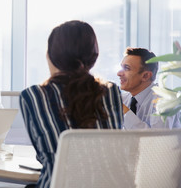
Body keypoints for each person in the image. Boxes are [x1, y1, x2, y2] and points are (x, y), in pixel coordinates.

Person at [19, 20, 124, 188]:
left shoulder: (34, 95)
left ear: (51, 55)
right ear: (93, 56)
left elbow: (43, 156)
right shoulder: (111, 92)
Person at [117, 47, 181, 129]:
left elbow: (156, 139)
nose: (119, 73)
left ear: (146, 76)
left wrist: (123, 110)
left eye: (127, 68)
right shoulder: (123, 99)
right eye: (121, 67)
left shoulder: (165, 100)